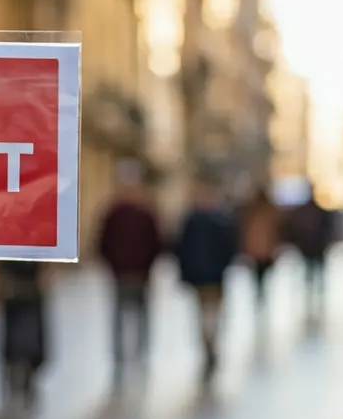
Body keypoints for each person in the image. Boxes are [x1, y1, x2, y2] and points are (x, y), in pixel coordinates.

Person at [97, 160, 164, 385]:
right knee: (123, 317)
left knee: (137, 317)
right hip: (123, 274)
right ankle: (123, 359)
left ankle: (139, 356)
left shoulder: (141, 214)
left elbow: (156, 243)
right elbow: (102, 244)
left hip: (137, 274)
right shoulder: (116, 214)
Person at [175, 176, 240, 384]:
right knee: (211, 313)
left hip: (202, 276)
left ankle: (208, 345)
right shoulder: (219, 220)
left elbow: (180, 249)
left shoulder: (193, 220)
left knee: (205, 313)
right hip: (212, 276)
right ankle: (210, 344)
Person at [0, 259, 50, 409]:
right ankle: (15, 383)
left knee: (29, 342)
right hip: (15, 296)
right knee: (16, 342)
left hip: (29, 295)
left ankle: (26, 382)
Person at [285, 184, 335, 316]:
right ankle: (312, 292)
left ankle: (315, 293)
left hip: (314, 247)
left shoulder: (317, 211)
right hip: (310, 247)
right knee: (312, 271)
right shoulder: (309, 211)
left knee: (315, 271)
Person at [239, 187, 282, 311]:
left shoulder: (253, 213)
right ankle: (261, 294)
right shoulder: (266, 213)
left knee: (259, 274)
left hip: (258, 251)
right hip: (263, 251)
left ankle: (260, 293)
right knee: (261, 274)